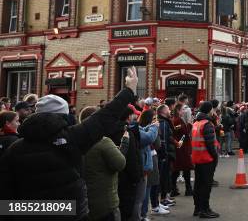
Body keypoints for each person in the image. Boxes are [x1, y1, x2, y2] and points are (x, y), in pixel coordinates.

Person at [0, 66, 140, 220]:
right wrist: (129, 90)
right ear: (63, 117)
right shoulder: (71, 138)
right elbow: (104, 117)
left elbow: (6, 195)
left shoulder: (15, 149)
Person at [80, 106, 128, 221]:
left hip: (83, 201)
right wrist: (125, 142)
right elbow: (120, 163)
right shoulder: (103, 141)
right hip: (105, 203)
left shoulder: (76, 140)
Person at [191, 101, 219, 218]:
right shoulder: (207, 124)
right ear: (209, 110)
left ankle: (197, 208)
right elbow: (210, 143)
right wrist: (215, 157)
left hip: (197, 158)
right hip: (206, 158)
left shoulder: (196, 123)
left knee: (198, 185)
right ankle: (205, 209)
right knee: (206, 186)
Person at [157, 104, 178, 206]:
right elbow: (163, 140)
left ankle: (165, 197)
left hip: (168, 153)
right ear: (163, 112)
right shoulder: (164, 123)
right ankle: (163, 199)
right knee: (164, 177)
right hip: (166, 154)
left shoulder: (166, 122)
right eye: (168, 109)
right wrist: (164, 155)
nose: (170, 111)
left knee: (167, 176)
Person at [171, 103, 193, 197]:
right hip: (181, 148)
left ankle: (174, 188)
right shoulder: (177, 120)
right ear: (178, 110)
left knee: (178, 169)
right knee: (185, 168)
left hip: (181, 147)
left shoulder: (178, 119)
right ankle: (187, 189)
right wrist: (189, 125)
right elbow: (183, 132)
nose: (184, 111)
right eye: (182, 109)